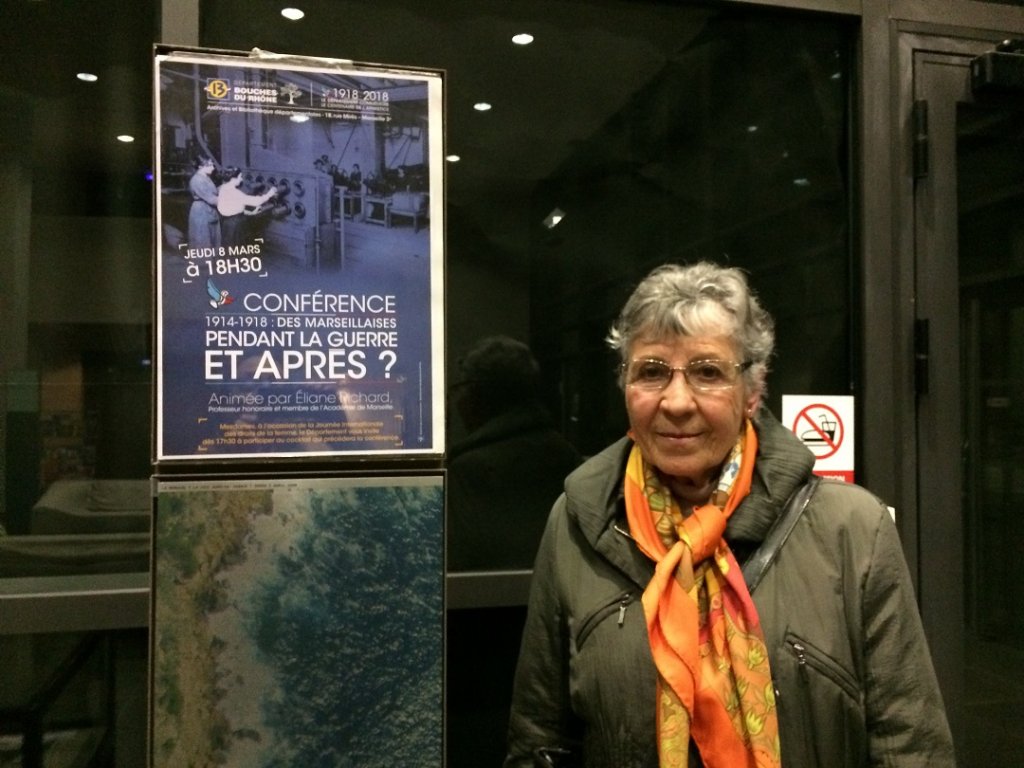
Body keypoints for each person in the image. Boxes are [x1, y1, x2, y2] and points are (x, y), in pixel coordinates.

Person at [504, 263, 955, 767]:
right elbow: (539, 742)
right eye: (652, 371)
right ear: (625, 385)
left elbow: (911, 746)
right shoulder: (579, 521)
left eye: (707, 372)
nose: (676, 401)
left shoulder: (851, 529)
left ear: (753, 392)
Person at [447, 336, 581, 571]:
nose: (457, 403)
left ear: (479, 395)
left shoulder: (468, 472)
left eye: (461, 389)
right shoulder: (567, 456)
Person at [216, 167, 277, 248]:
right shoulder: (235, 193)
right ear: (234, 178)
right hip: (236, 226)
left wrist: (249, 212)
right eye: (240, 177)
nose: (241, 179)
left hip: (226, 224)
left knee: (229, 249)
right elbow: (256, 201)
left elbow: (231, 206)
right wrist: (270, 193)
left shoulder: (222, 188)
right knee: (238, 249)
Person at [187, 156, 220, 248]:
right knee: (202, 240)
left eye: (213, 165)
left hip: (208, 210)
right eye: (209, 165)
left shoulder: (206, 177)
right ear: (200, 166)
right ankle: (203, 263)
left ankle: (211, 262)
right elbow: (212, 199)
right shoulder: (197, 180)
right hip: (201, 211)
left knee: (212, 239)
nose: (213, 168)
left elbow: (212, 192)